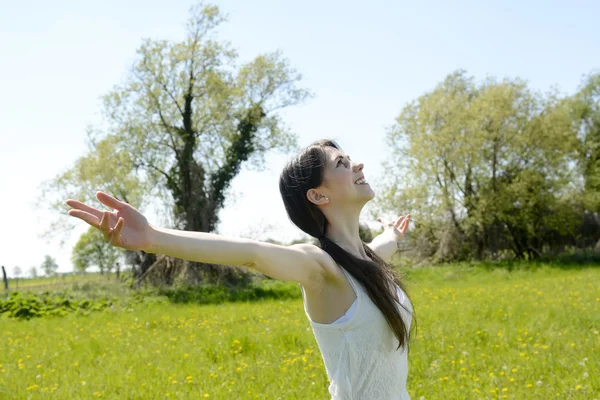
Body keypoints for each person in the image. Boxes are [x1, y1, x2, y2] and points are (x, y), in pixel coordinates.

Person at [66, 139, 415, 399]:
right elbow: (252, 253)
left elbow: (381, 248)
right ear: (318, 196)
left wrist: (393, 233)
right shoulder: (320, 267)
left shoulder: (368, 262)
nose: (358, 166)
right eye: (342, 163)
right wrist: (153, 237)